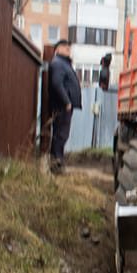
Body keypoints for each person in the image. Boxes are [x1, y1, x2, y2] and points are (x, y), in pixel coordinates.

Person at [48, 39, 81, 173]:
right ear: (58, 49)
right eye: (65, 47)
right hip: (62, 106)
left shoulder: (63, 64)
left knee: (62, 134)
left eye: (69, 47)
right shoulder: (58, 64)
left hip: (64, 105)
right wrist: (66, 101)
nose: (69, 49)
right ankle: (57, 164)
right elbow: (56, 83)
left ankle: (58, 162)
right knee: (60, 135)